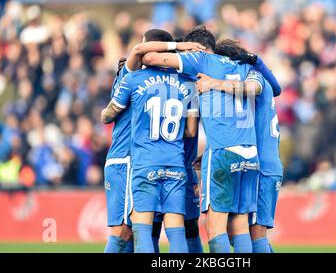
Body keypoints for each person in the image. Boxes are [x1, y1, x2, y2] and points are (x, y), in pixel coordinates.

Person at [140, 26, 259, 253]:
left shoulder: (201, 60)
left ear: (197, 48)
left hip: (219, 152)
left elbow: (149, 57)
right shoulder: (244, 67)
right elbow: (268, 87)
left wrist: (179, 47)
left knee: (214, 227)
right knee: (240, 221)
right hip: (249, 152)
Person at [102, 29, 204, 253]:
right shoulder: (187, 82)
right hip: (170, 161)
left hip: (140, 160)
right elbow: (190, 130)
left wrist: (105, 113)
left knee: (139, 229)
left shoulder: (133, 77)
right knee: (176, 228)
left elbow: (106, 116)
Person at [196, 39, 284, 253]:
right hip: (266, 163)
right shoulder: (261, 78)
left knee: (254, 234)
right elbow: (277, 87)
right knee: (249, 232)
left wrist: (214, 83)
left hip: (260, 163)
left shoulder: (247, 83)